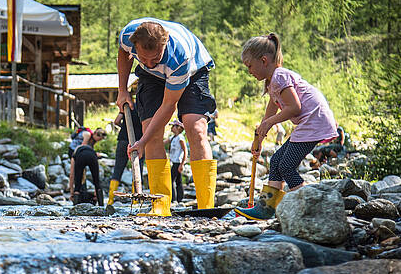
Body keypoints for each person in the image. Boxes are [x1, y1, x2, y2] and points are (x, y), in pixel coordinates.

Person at [117, 17, 218, 216]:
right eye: (143, 58)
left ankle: (206, 206)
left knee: (195, 128)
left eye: (155, 58)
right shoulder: (128, 35)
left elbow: (168, 106)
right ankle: (160, 205)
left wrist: (141, 142)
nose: (149, 63)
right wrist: (122, 90)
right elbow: (124, 53)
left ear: (163, 46)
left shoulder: (178, 57)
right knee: (151, 131)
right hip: (150, 79)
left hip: (194, 70)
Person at [234, 34, 338, 220]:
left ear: (264, 60)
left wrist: (270, 123)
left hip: (314, 121)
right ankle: (267, 208)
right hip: (309, 123)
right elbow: (270, 111)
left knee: (287, 166)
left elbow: (294, 107)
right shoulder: (272, 81)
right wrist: (258, 139)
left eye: (249, 66)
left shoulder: (280, 76)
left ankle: (309, 204)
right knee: (276, 161)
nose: (249, 71)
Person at [107, 106, 144, 206]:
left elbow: (116, 121)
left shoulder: (127, 106)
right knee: (137, 169)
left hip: (123, 140)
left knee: (118, 169)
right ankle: (136, 200)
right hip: (138, 142)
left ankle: (110, 200)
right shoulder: (144, 107)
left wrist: (125, 126)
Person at [72, 127, 107, 205]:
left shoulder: (92, 141)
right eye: (99, 139)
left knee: (77, 181)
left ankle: (75, 207)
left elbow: (72, 175)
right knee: (96, 182)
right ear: (95, 134)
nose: (98, 141)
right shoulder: (87, 134)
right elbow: (83, 145)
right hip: (89, 155)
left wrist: (72, 191)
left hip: (80, 155)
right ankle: (101, 206)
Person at [67, 126, 93, 197]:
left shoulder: (89, 136)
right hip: (74, 152)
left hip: (75, 151)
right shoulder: (88, 135)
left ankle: (79, 189)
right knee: (75, 171)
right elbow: (83, 146)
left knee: (80, 171)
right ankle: (74, 191)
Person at [167, 120, 188, 203]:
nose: (172, 128)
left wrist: (182, 164)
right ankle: (180, 198)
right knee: (178, 180)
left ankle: (174, 198)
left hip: (177, 162)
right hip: (174, 161)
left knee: (171, 180)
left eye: (173, 126)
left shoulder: (180, 138)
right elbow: (164, 142)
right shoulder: (173, 137)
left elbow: (185, 151)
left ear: (178, 128)